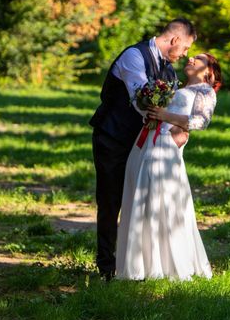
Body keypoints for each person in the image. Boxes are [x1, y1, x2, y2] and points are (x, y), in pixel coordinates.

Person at [89, 19, 197, 280]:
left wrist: (183, 126)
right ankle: (106, 266)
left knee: (143, 202)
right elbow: (143, 100)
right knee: (110, 200)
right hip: (113, 137)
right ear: (174, 40)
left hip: (146, 144)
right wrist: (171, 117)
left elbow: (172, 106)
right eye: (184, 48)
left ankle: (139, 265)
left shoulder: (168, 70)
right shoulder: (133, 56)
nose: (185, 55)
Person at [116, 53, 222, 280]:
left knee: (161, 201)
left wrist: (166, 116)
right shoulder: (174, 86)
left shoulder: (205, 92)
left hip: (165, 149)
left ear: (209, 71)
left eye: (198, 59)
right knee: (141, 197)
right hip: (147, 141)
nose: (191, 59)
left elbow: (201, 122)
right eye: (191, 56)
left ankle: (165, 265)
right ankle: (139, 264)